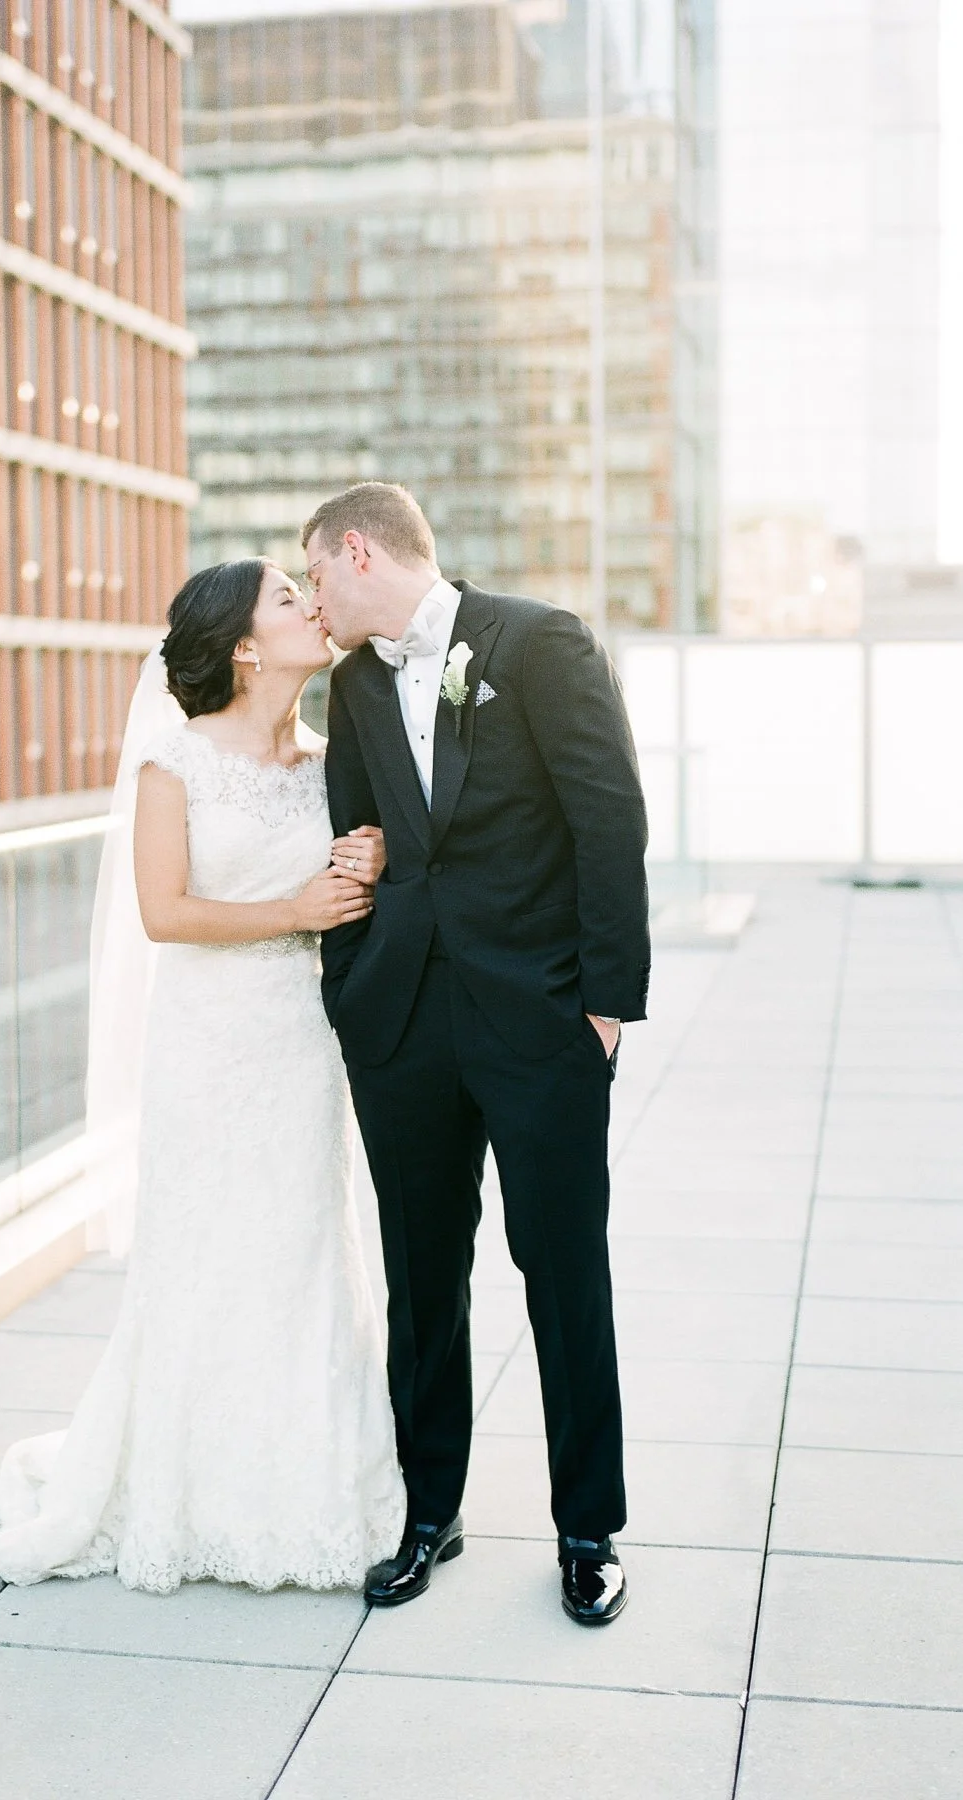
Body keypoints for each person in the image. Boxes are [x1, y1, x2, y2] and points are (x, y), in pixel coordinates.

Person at [0, 559, 406, 1591]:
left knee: (300, 1256)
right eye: (288, 598)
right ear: (245, 645)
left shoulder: (330, 761)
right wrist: (293, 911)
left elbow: (339, 888)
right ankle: (184, 1489)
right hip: (209, 1046)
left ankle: (310, 1484)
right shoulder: (175, 763)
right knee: (208, 1256)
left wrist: (364, 862)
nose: (311, 606)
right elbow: (166, 914)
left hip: (302, 1042)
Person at [304, 483, 650, 1624]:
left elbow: (608, 819)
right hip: (402, 1023)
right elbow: (358, 844)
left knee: (562, 1271)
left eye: (317, 575)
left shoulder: (538, 643)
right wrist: (349, 991)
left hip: (540, 1020)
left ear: (357, 552)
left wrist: (603, 1008)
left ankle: (587, 1528)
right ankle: (428, 1512)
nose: (313, 599)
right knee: (422, 1277)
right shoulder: (352, 684)